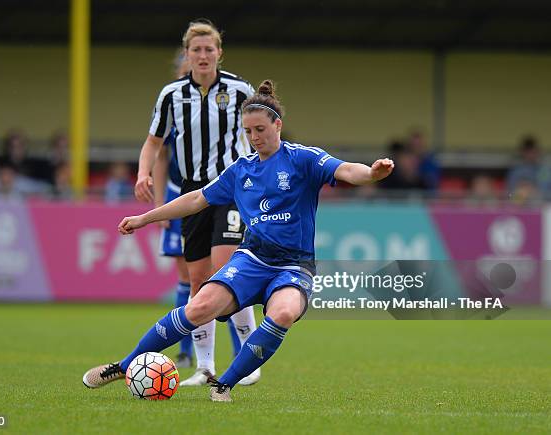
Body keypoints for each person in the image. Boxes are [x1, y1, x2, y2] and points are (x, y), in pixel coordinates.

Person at [83, 80, 394, 402]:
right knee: (199, 306)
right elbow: (196, 200)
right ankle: (124, 365)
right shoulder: (241, 169)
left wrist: (371, 174)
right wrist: (145, 218)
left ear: (278, 125)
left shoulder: (302, 158)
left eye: (260, 129)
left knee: (284, 313)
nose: (254, 137)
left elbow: (346, 170)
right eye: (248, 131)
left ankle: (224, 384)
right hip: (251, 259)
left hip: (292, 266)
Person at [133, 20, 259, 386]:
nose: (202, 56)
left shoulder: (239, 90)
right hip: (193, 193)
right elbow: (153, 143)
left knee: (226, 272)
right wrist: (144, 174)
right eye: (196, 50)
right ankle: (205, 367)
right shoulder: (171, 94)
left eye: (209, 50)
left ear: (219, 53)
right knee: (197, 280)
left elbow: (262, 130)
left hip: (233, 187)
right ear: (187, 55)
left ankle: (249, 359)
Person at [153, 51, 244, 369]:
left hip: (219, 191)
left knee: (224, 276)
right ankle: (192, 356)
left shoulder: (228, 98)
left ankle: (242, 353)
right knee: (191, 278)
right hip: (183, 196)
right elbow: (159, 155)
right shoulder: (173, 103)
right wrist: (159, 204)